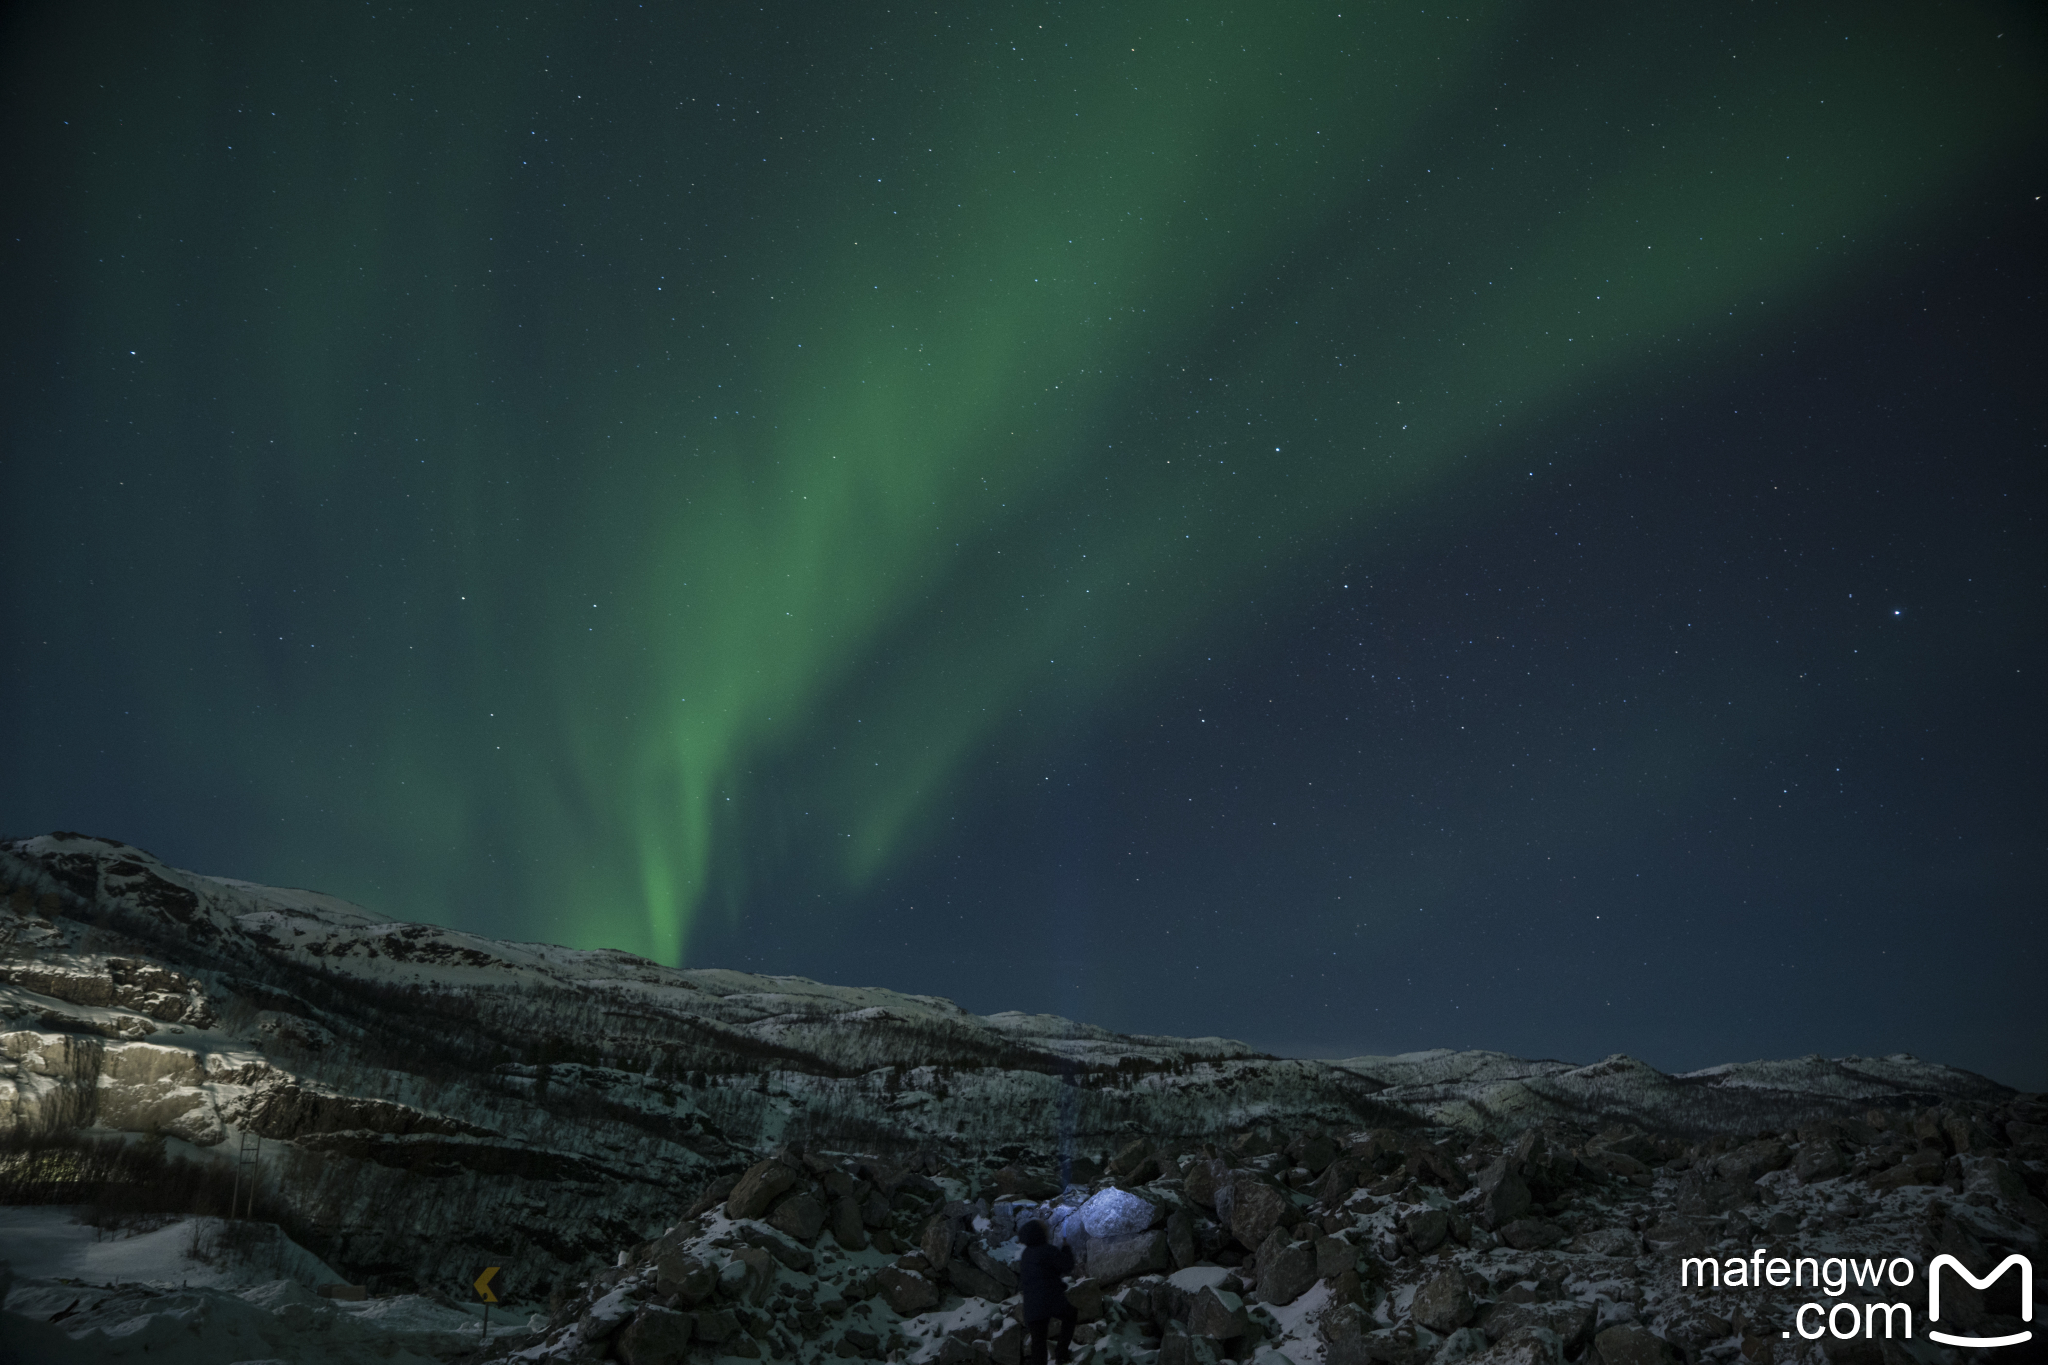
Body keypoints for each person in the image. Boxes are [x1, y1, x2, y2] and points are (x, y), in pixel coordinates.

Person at [1016, 1220, 1076, 1365]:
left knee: (1038, 1344)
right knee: (1070, 1315)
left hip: (1032, 1306)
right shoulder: (1047, 1250)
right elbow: (1066, 1266)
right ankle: (1061, 1355)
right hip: (1051, 1300)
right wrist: (1066, 1250)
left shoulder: (1026, 1254)